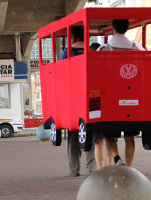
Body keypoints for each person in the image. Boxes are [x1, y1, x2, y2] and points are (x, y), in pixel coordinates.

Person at [98, 19, 144, 167]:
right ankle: (129, 169)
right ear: (127, 28)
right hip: (132, 99)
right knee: (129, 137)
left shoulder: (105, 49)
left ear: (112, 28)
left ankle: (117, 159)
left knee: (108, 134)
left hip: (111, 101)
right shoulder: (136, 48)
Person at [60, 27, 97, 177]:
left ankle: (74, 168)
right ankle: (91, 168)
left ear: (74, 37)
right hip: (90, 97)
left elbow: (61, 72)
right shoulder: (90, 51)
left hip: (73, 97)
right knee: (89, 130)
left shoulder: (69, 51)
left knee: (74, 132)